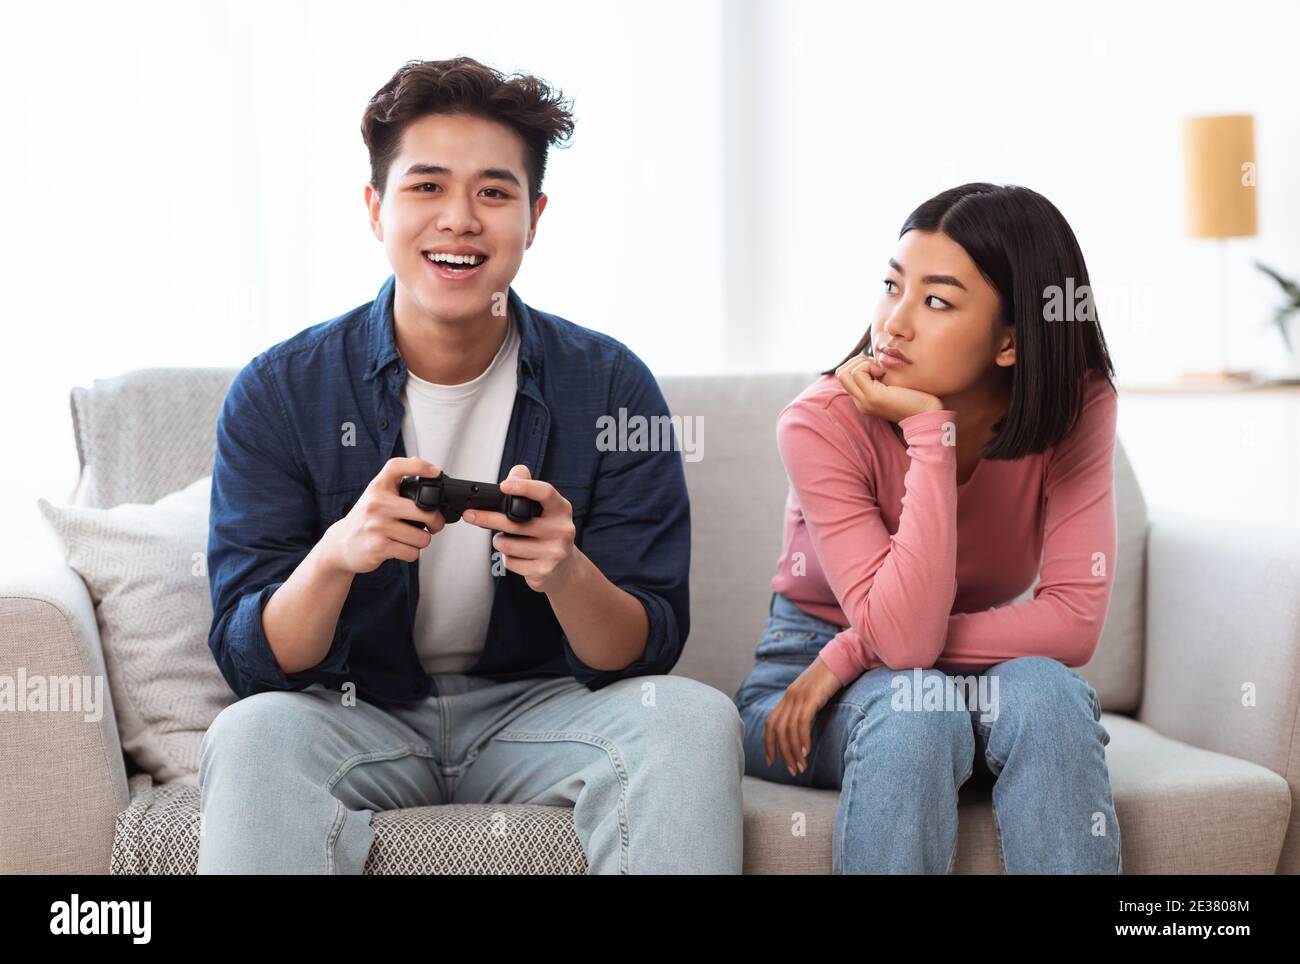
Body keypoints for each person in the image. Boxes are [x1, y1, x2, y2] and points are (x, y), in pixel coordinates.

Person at [198, 56, 743, 875]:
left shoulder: (610, 384)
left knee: (694, 718)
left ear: (535, 217)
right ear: (376, 206)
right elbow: (253, 660)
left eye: (494, 192)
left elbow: (643, 646)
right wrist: (338, 555)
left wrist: (566, 572)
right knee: (251, 734)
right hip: (354, 715)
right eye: (426, 187)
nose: (459, 219)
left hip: (541, 712)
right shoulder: (280, 390)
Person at [734, 182, 1123, 874]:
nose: (894, 323)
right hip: (805, 677)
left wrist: (856, 649)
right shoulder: (821, 422)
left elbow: (1073, 621)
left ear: (1011, 341)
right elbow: (906, 643)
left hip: (906, 661)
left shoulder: (1077, 403)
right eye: (892, 285)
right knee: (917, 711)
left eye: (936, 300)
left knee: (1052, 697)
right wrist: (929, 435)